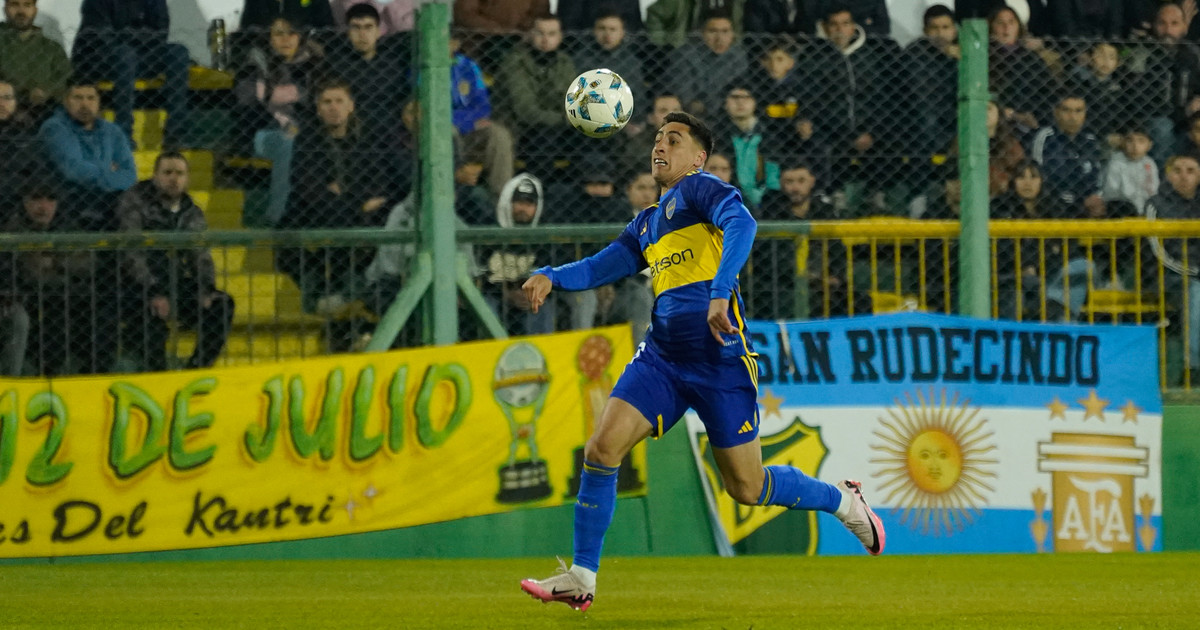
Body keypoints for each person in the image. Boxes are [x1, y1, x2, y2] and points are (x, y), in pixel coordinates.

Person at [517, 111, 884, 612]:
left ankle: (841, 499)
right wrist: (552, 275)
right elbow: (602, 265)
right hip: (664, 358)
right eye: (657, 139)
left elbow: (743, 222)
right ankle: (582, 576)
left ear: (698, 158)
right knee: (602, 448)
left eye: (674, 140)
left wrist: (718, 293)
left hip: (719, 358)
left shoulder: (699, 189)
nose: (660, 147)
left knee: (747, 487)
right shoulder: (647, 222)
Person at [116, 152, 235, 370]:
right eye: (167, 172)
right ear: (155, 176)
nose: (174, 179)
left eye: (179, 173)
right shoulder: (135, 201)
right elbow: (132, 253)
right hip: (137, 285)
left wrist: (206, 288)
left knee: (222, 304)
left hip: (175, 280)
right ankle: (158, 373)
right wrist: (153, 291)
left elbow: (200, 254)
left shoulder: (191, 211)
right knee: (151, 319)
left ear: (187, 178)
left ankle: (197, 368)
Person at [72, 0, 191, 148]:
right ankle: (123, 134)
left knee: (179, 52)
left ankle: (175, 134)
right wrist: (140, 36)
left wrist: (128, 36)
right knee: (126, 55)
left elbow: (161, 32)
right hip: (101, 59)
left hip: (139, 55)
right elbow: (102, 36)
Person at [38, 80, 137, 229]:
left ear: (99, 102)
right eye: (78, 98)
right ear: (66, 101)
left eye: (91, 98)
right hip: (71, 199)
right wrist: (108, 172)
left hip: (109, 201)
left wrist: (97, 173)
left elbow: (130, 175)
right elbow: (74, 171)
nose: (85, 104)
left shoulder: (112, 131)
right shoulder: (54, 128)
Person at [0, 0, 71, 118]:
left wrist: (45, 91)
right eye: (14, 4)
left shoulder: (52, 48)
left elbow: (66, 80)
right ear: (5, 9)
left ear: (35, 10)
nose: (21, 11)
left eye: (27, 5)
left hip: (44, 114)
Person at [1103, 127, 1159, 215]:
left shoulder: (1150, 163)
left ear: (1149, 145)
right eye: (1130, 141)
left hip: (1146, 208)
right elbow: (1111, 194)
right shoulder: (1116, 162)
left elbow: (1153, 191)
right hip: (1122, 209)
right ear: (1123, 143)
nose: (1135, 146)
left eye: (1141, 141)